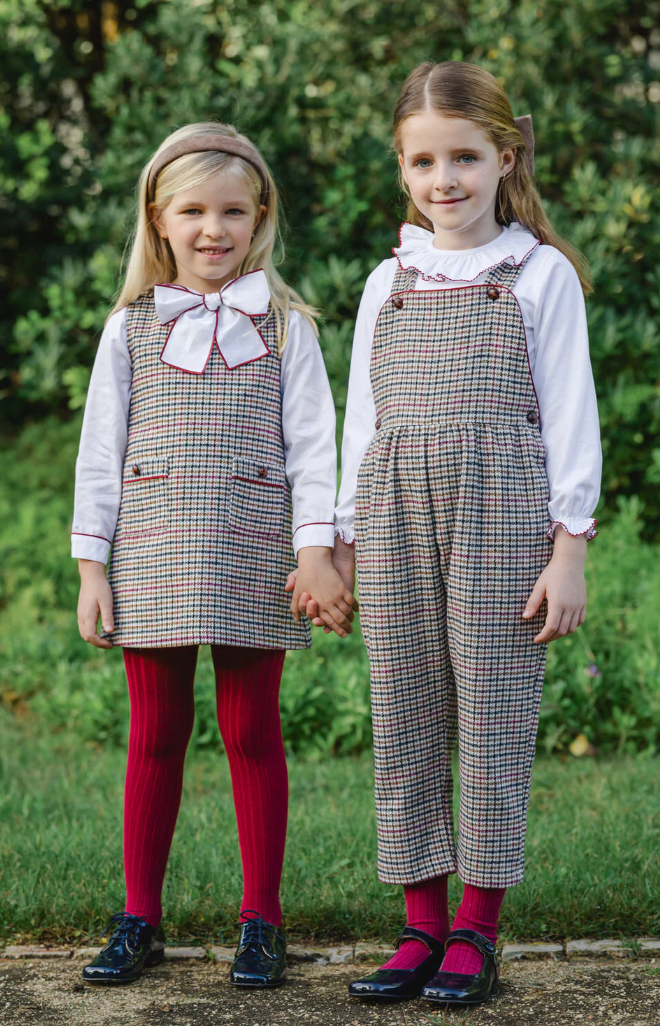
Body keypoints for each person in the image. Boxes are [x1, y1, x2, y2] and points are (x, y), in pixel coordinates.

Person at [299, 61, 601, 1007]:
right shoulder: (387, 281)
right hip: (393, 513)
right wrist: (337, 540)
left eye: (465, 158)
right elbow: (362, 419)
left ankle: (478, 925)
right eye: (424, 161)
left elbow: (571, 416)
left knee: (496, 713)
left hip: (505, 511)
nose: (446, 181)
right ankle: (420, 924)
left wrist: (571, 548)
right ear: (401, 168)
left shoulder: (540, 275)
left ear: (504, 159)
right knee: (407, 710)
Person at [72, 121, 355, 988]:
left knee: (251, 732)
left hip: (252, 549)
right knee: (155, 737)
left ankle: (261, 920)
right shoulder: (127, 332)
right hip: (154, 548)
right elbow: (99, 450)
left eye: (232, 211)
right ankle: (138, 919)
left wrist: (315, 553)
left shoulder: (286, 325)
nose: (212, 230)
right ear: (159, 218)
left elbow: (315, 447)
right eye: (192, 210)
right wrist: (92, 568)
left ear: (259, 215)